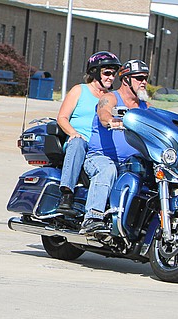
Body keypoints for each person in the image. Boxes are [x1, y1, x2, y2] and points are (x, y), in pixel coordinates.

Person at [79, 59, 150, 234]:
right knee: (108, 169)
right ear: (126, 80)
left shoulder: (145, 106)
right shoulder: (110, 97)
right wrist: (111, 120)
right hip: (100, 157)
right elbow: (103, 112)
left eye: (146, 78)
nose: (144, 82)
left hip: (131, 161)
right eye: (139, 77)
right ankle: (92, 217)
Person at [55, 51, 121, 214]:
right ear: (94, 72)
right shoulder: (79, 90)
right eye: (107, 73)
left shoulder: (111, 97)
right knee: (77, 143)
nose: (111, 77)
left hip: (100, 150)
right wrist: (73, 133)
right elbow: (62, 117)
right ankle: (66, 194)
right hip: (79, 145)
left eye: (113, 74)